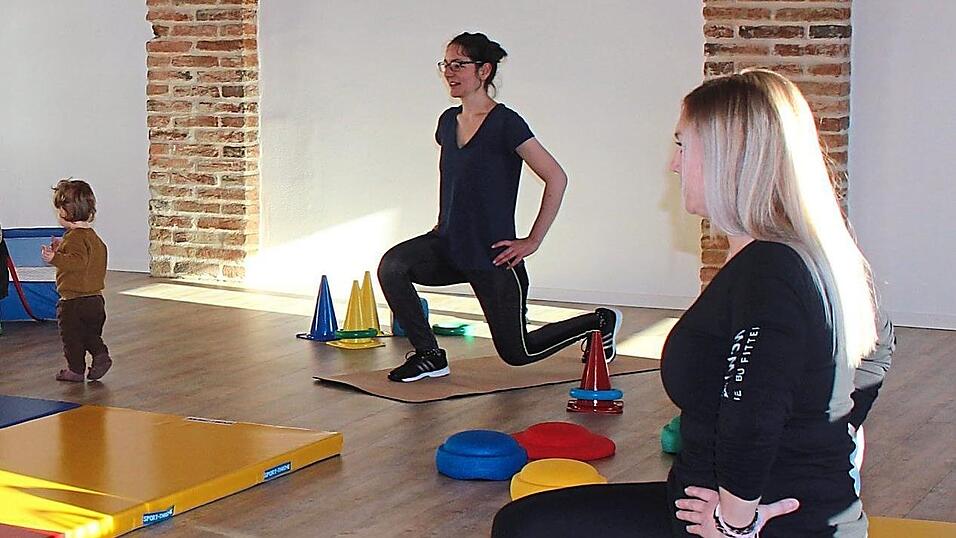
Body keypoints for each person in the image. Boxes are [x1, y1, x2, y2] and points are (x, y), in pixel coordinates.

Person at [491, 69, 894, 537]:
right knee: (529, 523)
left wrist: (737, 521)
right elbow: (878, 352)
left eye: (683, 145)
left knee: (527, 530)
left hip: (753, 524)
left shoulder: (771, 268)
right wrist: (831, 435)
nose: (673, 164)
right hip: (720, 505)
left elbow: (751, 412)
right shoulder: (814, 252)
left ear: (732, 156)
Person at [377, 32, 622, 383]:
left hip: (493, 256)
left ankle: (598, 322)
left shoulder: (506, 123)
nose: (450, 71)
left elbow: (556, 177)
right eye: (446, 64)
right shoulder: (448, 122)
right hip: (448, 245)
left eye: (459, 64)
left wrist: (532, 241)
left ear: (484, 71)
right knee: (393, 266)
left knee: (518, 353)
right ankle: (430, 355)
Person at [40, 178, 112, 382]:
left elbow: (77, 262)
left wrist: (54, 257)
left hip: (73, 300)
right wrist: (61, 247)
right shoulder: (93, 237)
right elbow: (86, 258)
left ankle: (76, 370)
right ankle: (100, 355)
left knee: (71, 337)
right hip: (95, 300)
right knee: (89, 335)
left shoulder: (74, 238)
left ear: (65, 212)